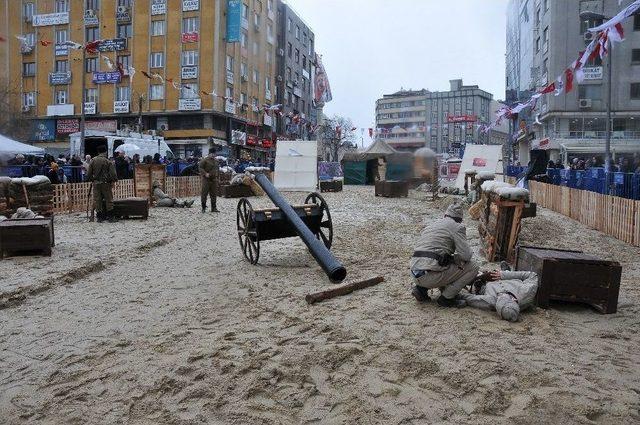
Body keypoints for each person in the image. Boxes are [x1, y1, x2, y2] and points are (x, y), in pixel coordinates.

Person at [409, 202, 479, 307]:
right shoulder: (458, 227)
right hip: (430, 276)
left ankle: (421, 289)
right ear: (459, 220)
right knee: (473, 266)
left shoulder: (432, 225)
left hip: (414, 273)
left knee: (437, 260)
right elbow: (466, 256)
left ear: (445, 215)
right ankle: (447, 297)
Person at [460, 270, 539, 322]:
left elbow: (470, 298)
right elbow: (532, 275)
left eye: (499, 299)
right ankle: (506, 269)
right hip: (508, 278)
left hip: (485, 283)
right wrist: (504, 275)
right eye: (502, 297)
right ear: (514, 299)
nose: (499, 295)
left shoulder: (491, 301)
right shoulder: (526, 293)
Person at [86, 145, 118, 223]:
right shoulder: (107, 161)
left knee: (98, 200)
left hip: (96, 183)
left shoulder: (93, 160)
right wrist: (113, 180)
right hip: (106, 183)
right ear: (105, 152)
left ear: (98, 152)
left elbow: (89, 173)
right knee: (109, 200)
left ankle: (99, 218)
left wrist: (92, 179)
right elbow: (113, 174)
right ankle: (111, 217)